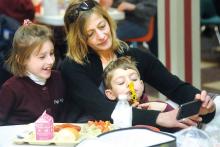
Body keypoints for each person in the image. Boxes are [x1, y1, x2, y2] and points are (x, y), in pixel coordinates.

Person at [61, 0, 216, 131]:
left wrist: (204, 105)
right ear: (79, 39)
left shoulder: (133, 55)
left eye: (102, 26)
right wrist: (159, 117)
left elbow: (175, 87)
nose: (101, 36)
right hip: (87, 134)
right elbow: (104, 111)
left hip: (131, 130)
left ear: (108, 21)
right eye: (90, 34)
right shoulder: (72, 66)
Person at [0, 20, 65, 125]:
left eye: (51, 53)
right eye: (42, 57)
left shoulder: (59, 78)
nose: (50, 61)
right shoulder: (11, 89)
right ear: (21, 59)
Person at [103, 56, 173, 112]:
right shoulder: (109, 114)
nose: (130, 84)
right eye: (121, 82)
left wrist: (165, 108)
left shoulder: (158, 105)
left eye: (134, 79)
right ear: (110, 94)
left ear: (142, 85)